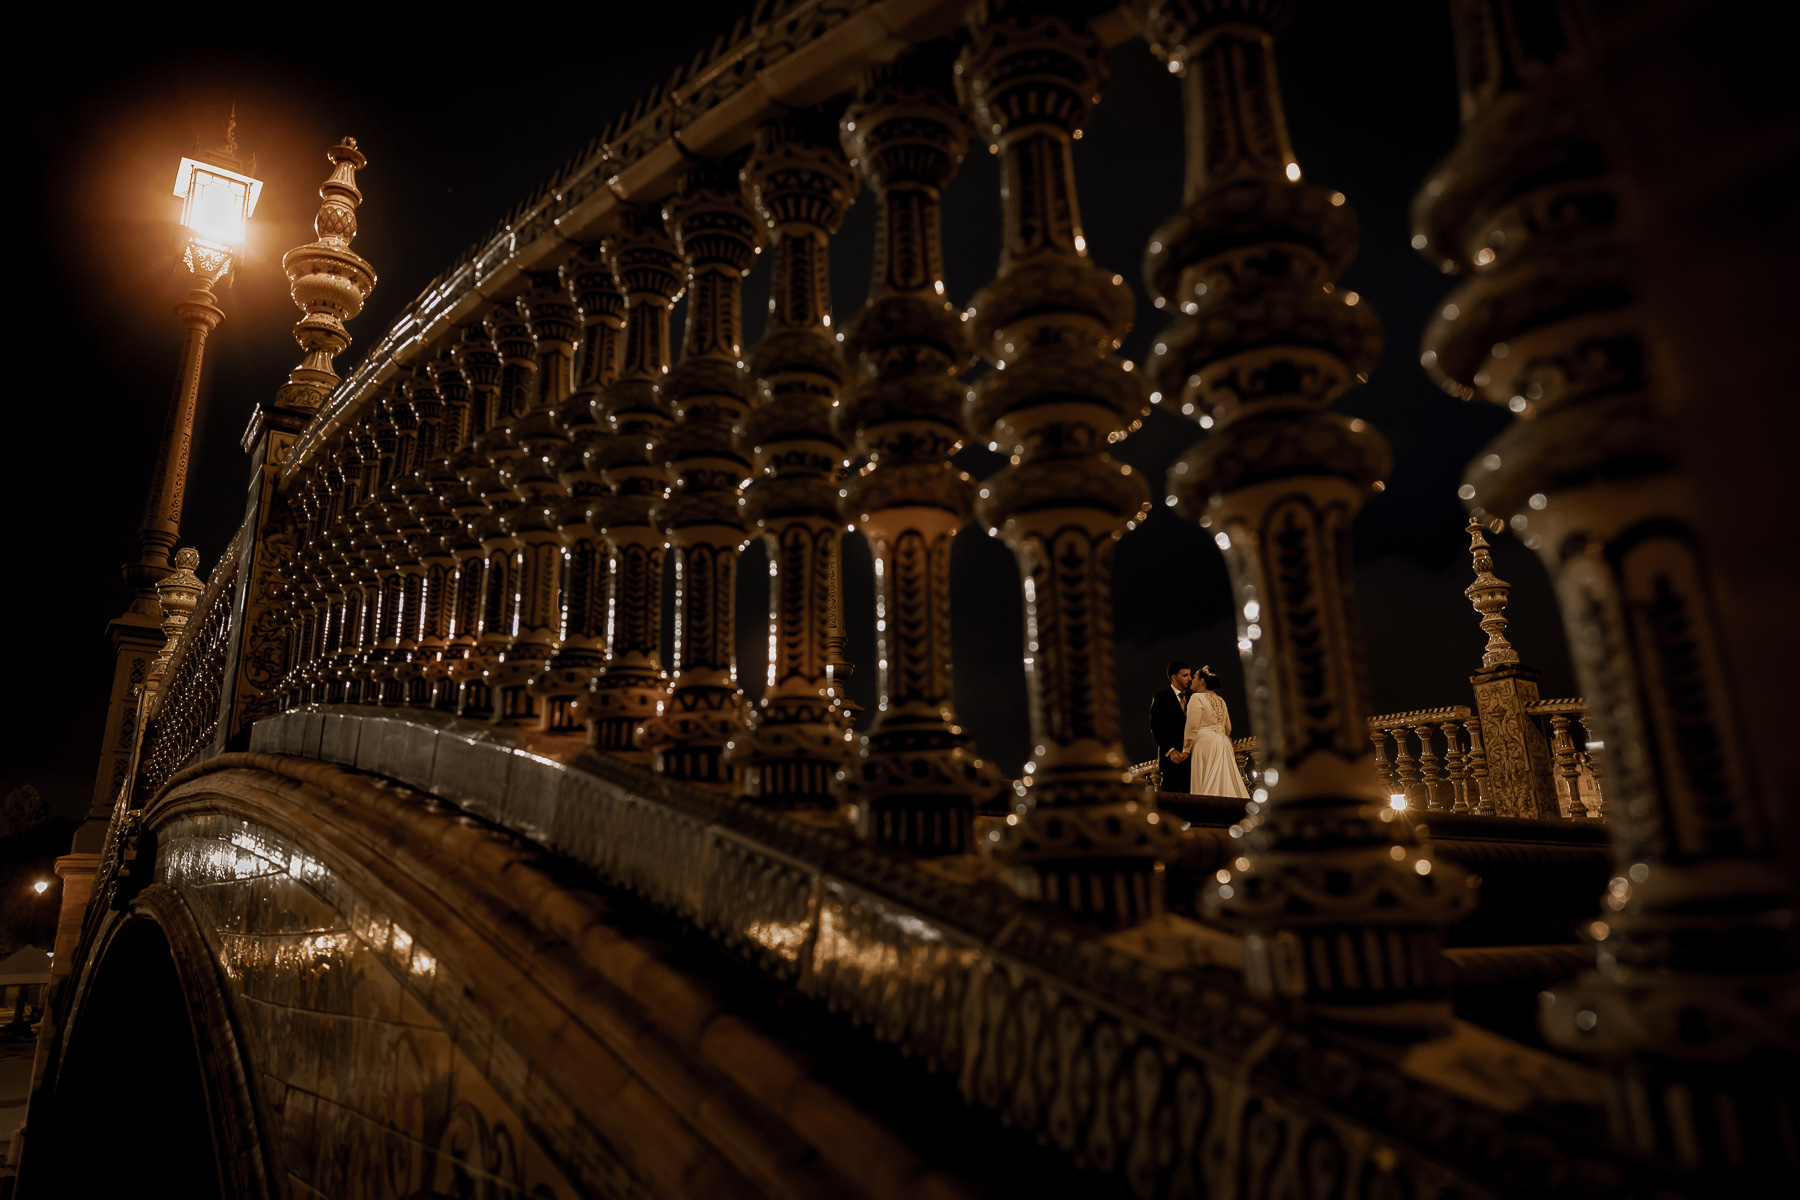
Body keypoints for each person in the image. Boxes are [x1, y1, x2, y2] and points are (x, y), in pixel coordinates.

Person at [1183, 665, 1250, 799]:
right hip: (1223, 742)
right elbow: (1228, 727)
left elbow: (1192, 726)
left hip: (1205, 743)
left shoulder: (1197, 698)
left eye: (1195, 677)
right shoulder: (1221, 700)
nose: (1192, 680)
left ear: (1202, 681)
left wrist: (1186, 749)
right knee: (1224, 779)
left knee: (1206, 779)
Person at [1150, 660, 1192, 792]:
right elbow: (1156, 728)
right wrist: (1171, 750)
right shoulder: (1161, 697)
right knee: (1172, 800)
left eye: (1190, 675)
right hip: (1171, 760)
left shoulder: (1193, 697)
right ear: (1174, 677)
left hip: (1191, 758)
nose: (1189, 679)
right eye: (1185, 675)